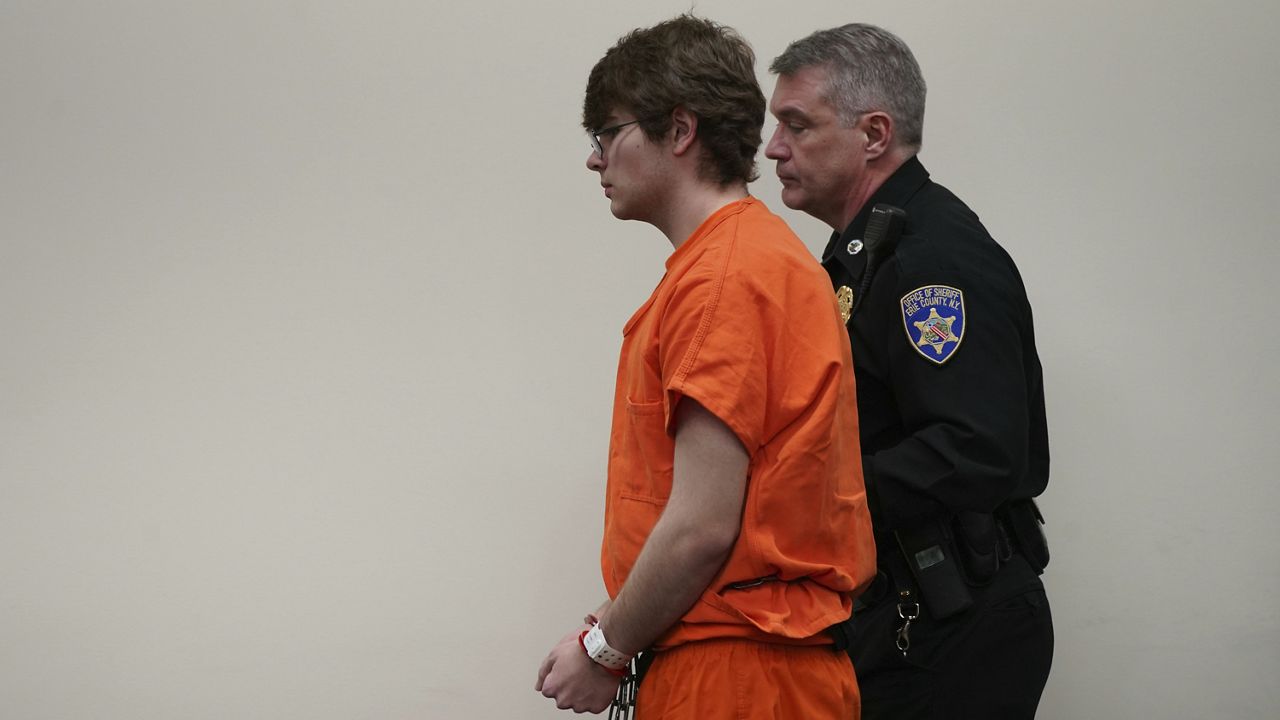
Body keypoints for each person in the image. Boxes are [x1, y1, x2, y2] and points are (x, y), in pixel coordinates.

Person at [534, 15, 877, 719]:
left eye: (607, 132)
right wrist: (612, 624)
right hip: (747, 664)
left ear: (680, 129)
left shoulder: (723, 278)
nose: (595, 160)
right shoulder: (749, 262)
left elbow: (701, 527)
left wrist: (606, 650)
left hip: (739, 680)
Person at [763, 23, 1054, 719]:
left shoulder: (931, 258)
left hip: (952, 623)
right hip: (904, 612)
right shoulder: (868, 250)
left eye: (796, 126)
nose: (774, 148)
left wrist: (807, 497)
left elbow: (975, 447)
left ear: (874, 133)